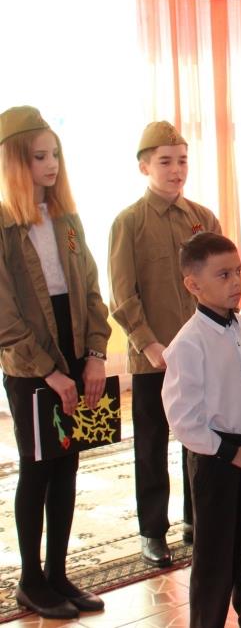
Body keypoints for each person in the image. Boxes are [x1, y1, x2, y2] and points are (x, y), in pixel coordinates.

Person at [0, 106, 109, 619]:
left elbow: (89, 287)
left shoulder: (66, 221)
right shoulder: (4, 226)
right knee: (39, 466)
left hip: (75, 348)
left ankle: (59, 574)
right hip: (31, 363)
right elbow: (4, 314)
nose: (51, 165)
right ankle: (30, 580)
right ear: (15, 162)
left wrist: (94, 355)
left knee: (69, 462)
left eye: (55, 155)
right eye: (39, 157)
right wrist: (50, 370)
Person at [108, 121, 216, 566]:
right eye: (166, 162)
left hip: (201, 355)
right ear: (144, 167)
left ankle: (198, 519)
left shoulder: (202, 218)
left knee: (202, 438)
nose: (176, 170)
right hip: (154, 358)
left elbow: (220, 279)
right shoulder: (129, 222)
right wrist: (151, 346)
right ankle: (152, 531)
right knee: (152, 444)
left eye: (183, 160)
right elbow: (122, 295)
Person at [162, 232, 241, 628]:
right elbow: (183, 418)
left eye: (238, 271)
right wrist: (231, 453)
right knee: (215, 555)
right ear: (193, 285)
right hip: (216, 457)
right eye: (223, 274)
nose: (236, 282)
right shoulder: (188, 344)